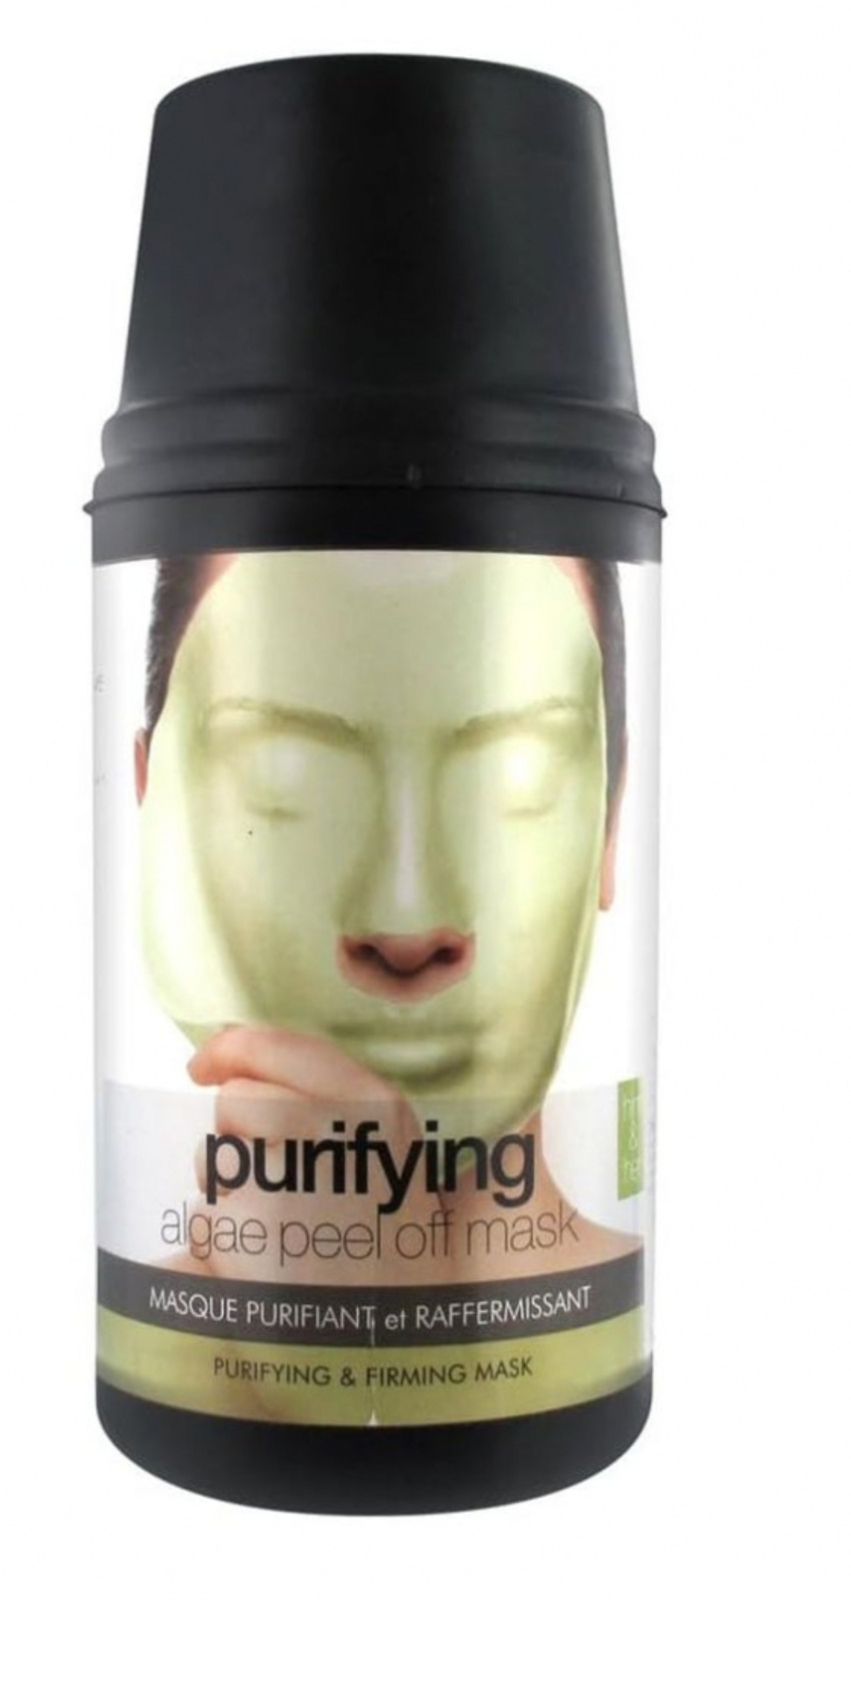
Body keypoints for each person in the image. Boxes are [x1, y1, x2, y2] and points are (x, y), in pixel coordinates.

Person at [132, 548, 643, 1418]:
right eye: (285, 773)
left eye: (515, 772)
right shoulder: (144, 1355)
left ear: (608, 826)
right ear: (155, 816)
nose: (406, 926)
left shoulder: (611, 1342)